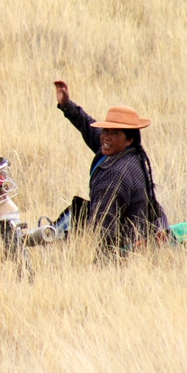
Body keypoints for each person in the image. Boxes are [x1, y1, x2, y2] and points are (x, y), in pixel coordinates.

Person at [53, 80, 167, 255]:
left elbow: (102, 230)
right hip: (139, 235)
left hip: (124, 249)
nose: (106, 137)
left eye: (114, 133)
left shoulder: (115, 175)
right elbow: (89, 128)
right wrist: (67, 105)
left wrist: (87, 258)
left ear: (129, 139)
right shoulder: (127, 152)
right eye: (106, 130)